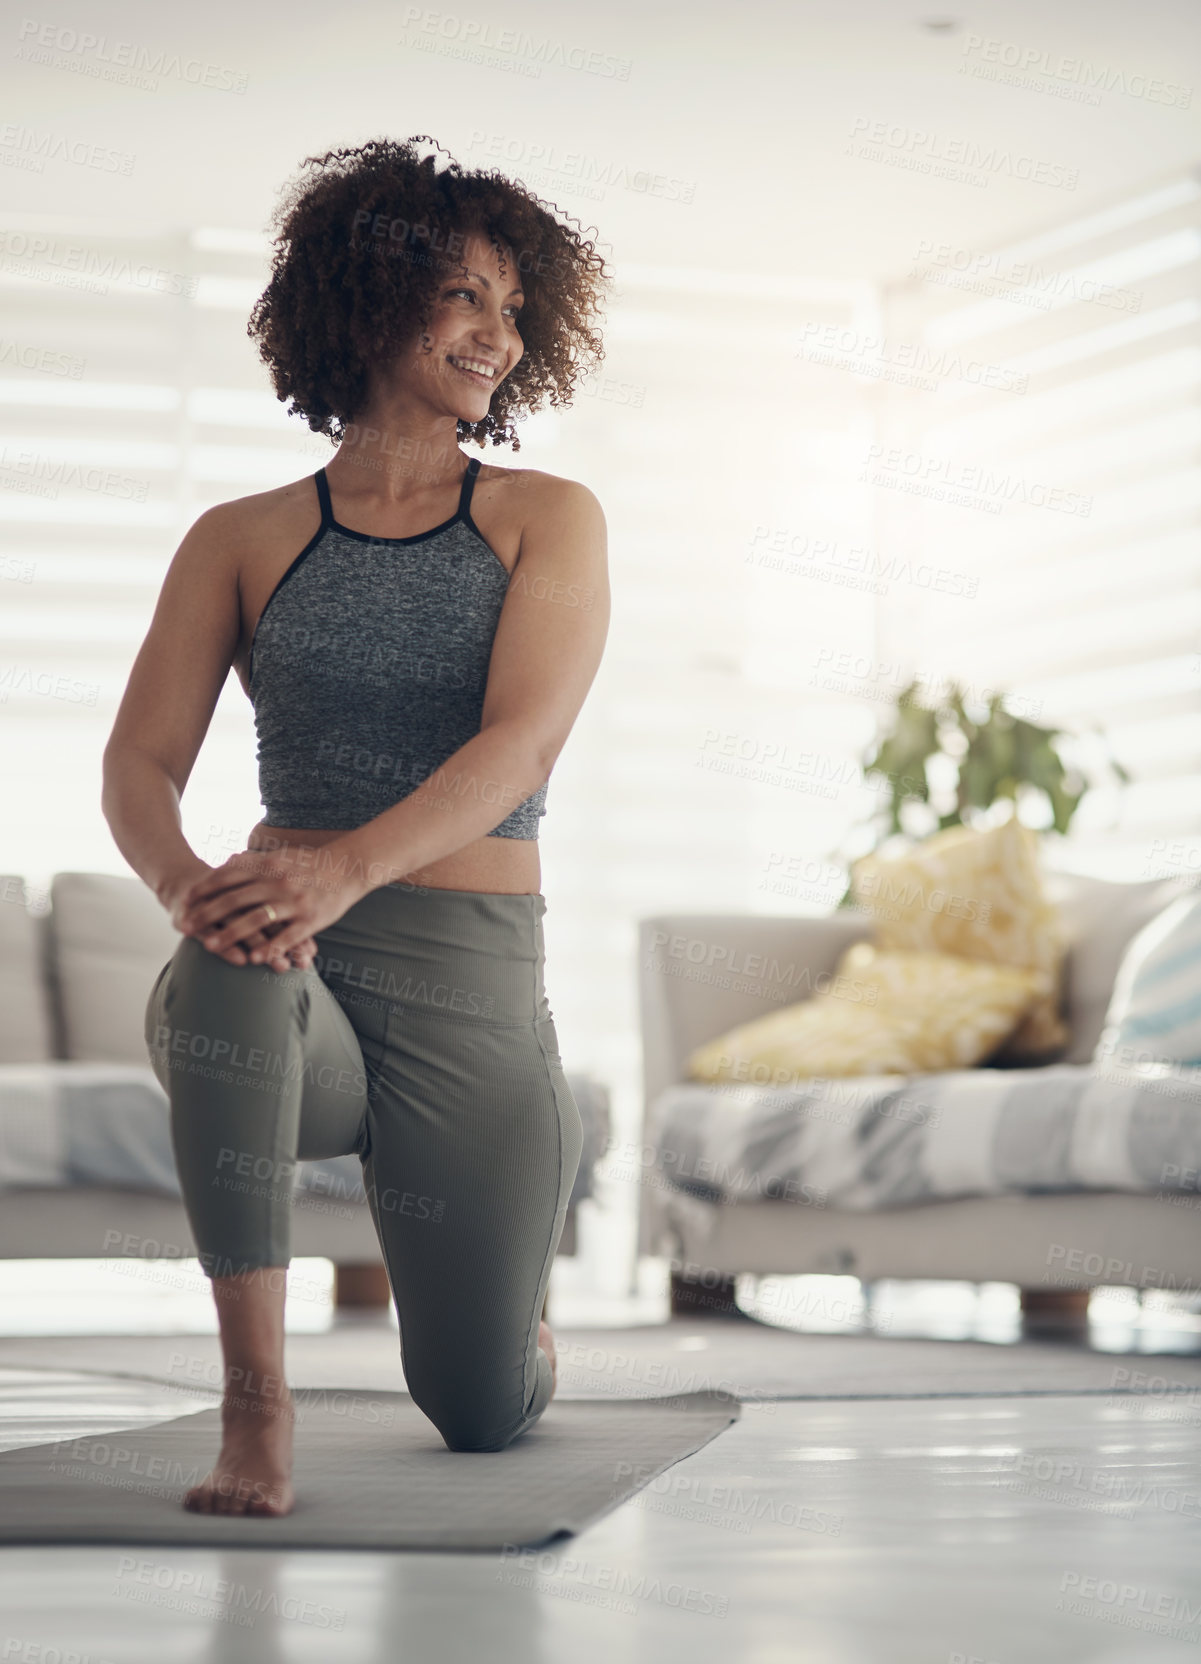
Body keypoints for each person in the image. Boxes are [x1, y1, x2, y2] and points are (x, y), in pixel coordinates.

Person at [100, 135, 612, 1516]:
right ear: (368, 298)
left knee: (481, 1413)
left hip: (471, 975)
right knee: (234, 945)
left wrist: (340, 869)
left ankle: (520, 1330)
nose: (494, 334)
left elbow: (519, 744)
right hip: (292, 962)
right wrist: (188, 884)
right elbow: (139, 762)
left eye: (512, 306)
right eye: (463, 295)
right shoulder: (241, 534)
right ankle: (253, 1411)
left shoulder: (544, 518)